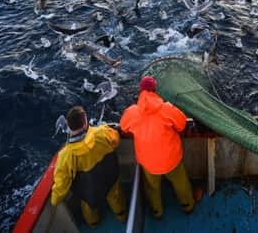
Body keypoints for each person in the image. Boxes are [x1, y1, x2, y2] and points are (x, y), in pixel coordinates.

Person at [120, 76, 199, 218]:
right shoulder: (167, 108)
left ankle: (157, 211)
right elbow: (181, 124)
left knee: (152, 188)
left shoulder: (132, 112)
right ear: (155, 90)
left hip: (148, 163)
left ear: (141, 91)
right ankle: (188, 205)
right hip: (171, 159)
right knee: (181, 183)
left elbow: (123, 127)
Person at [50, 105, 127, 228]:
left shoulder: (66, 155)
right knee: (115, 196)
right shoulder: (102, 132)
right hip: (110, 178)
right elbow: (116, 140)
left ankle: (93, 224)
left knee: (89, 205)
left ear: (68, 127)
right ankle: (122, 217)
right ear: (85, 122)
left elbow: (62, 182)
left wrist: (55, 200)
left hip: (89, 190)